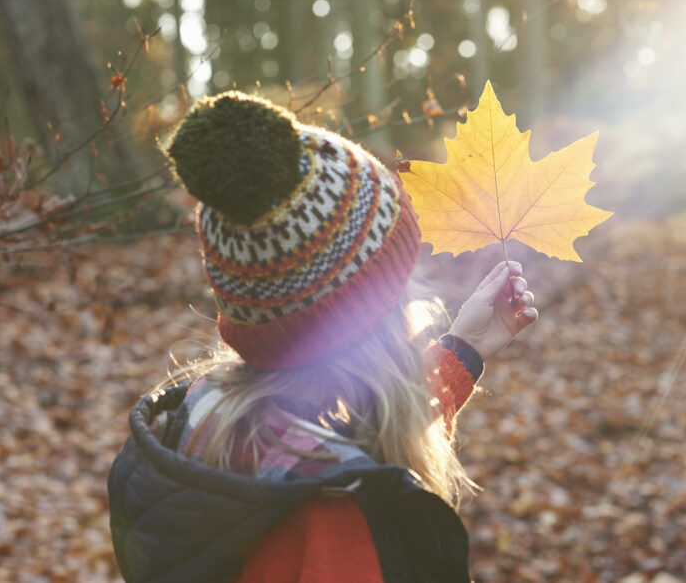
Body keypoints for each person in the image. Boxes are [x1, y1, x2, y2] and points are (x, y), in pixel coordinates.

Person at [107, 91, 538, 583]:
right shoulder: (332, 525)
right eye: (401, 276)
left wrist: (464, 349)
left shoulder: (209, 422)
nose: (417, 290)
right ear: (364, 319)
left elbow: (345, 439)